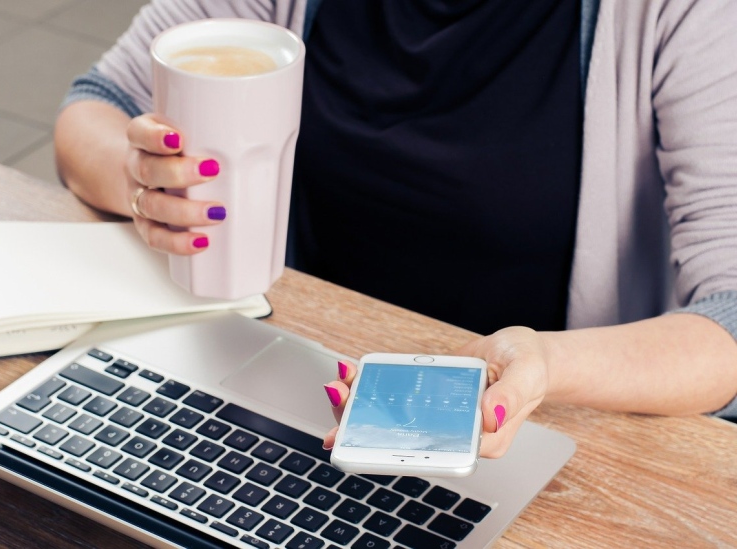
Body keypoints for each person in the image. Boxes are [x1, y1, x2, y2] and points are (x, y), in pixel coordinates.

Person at [54, 0, 737, 459]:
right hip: (283, 391)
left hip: (533, 439)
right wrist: (147, 183)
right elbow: (96, 107)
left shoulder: (681, 15)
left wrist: (547, 366)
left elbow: (730, 316)